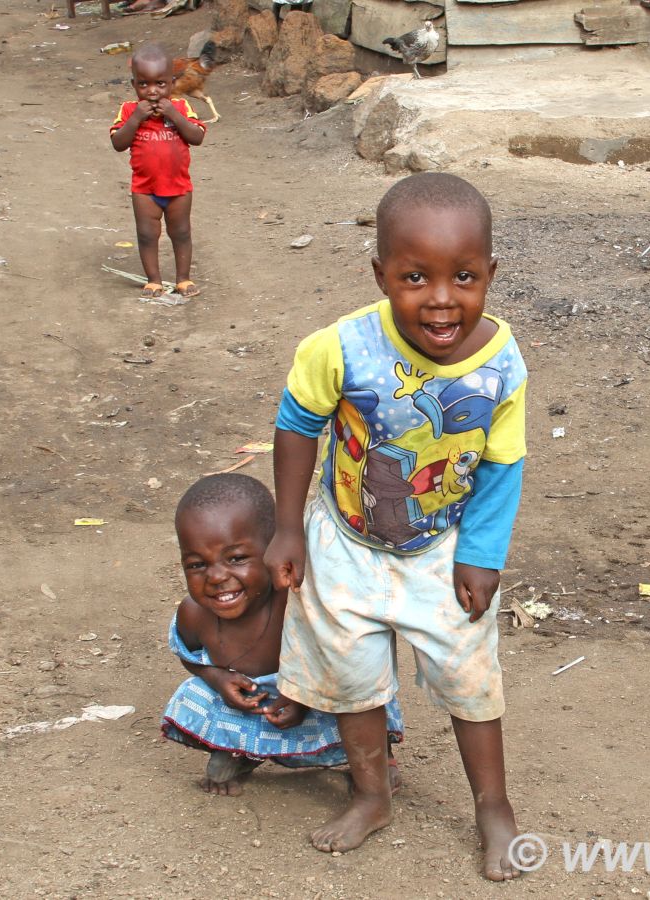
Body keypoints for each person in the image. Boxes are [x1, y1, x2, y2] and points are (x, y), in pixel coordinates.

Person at [265, 172, 528, 880]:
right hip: (344, 542)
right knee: (352, 677)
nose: (441, 298)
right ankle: (372, 795)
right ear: (380, 274)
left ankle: (494, 807)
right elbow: (296, 426)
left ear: (491, 273)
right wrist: (288, 528)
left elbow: (502, 464)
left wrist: (481, 554)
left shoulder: (501, 363)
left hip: (442, 549)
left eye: (463, 277)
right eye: (415, 277)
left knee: (471, 677)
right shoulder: (341, 347)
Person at [161, 473, 403, 796]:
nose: (216, 577)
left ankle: (378, 759)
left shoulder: (296, 601)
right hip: (254, 704)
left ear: (273, 551)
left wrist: (302, 696)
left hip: (315, 692)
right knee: (195, 694)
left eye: (236, 559)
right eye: (196, 565)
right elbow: (188, 655)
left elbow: (337, 658)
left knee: (357, 691)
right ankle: (240, 751)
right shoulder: (194, 615)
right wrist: (217, 678)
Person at [109, 42, 205, 299]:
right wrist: (135, 119)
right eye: (143, 84)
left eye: (160, 84)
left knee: (181, 232)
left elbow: (197, 137)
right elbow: (118, 143)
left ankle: (183, 279)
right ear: (134, 85)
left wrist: (174, 114)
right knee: (147, 235)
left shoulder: (181, 107)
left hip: (179, 187)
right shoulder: (129, 110)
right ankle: (153, 280)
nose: (152, 91)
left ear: (172, 83)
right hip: (145, 189)